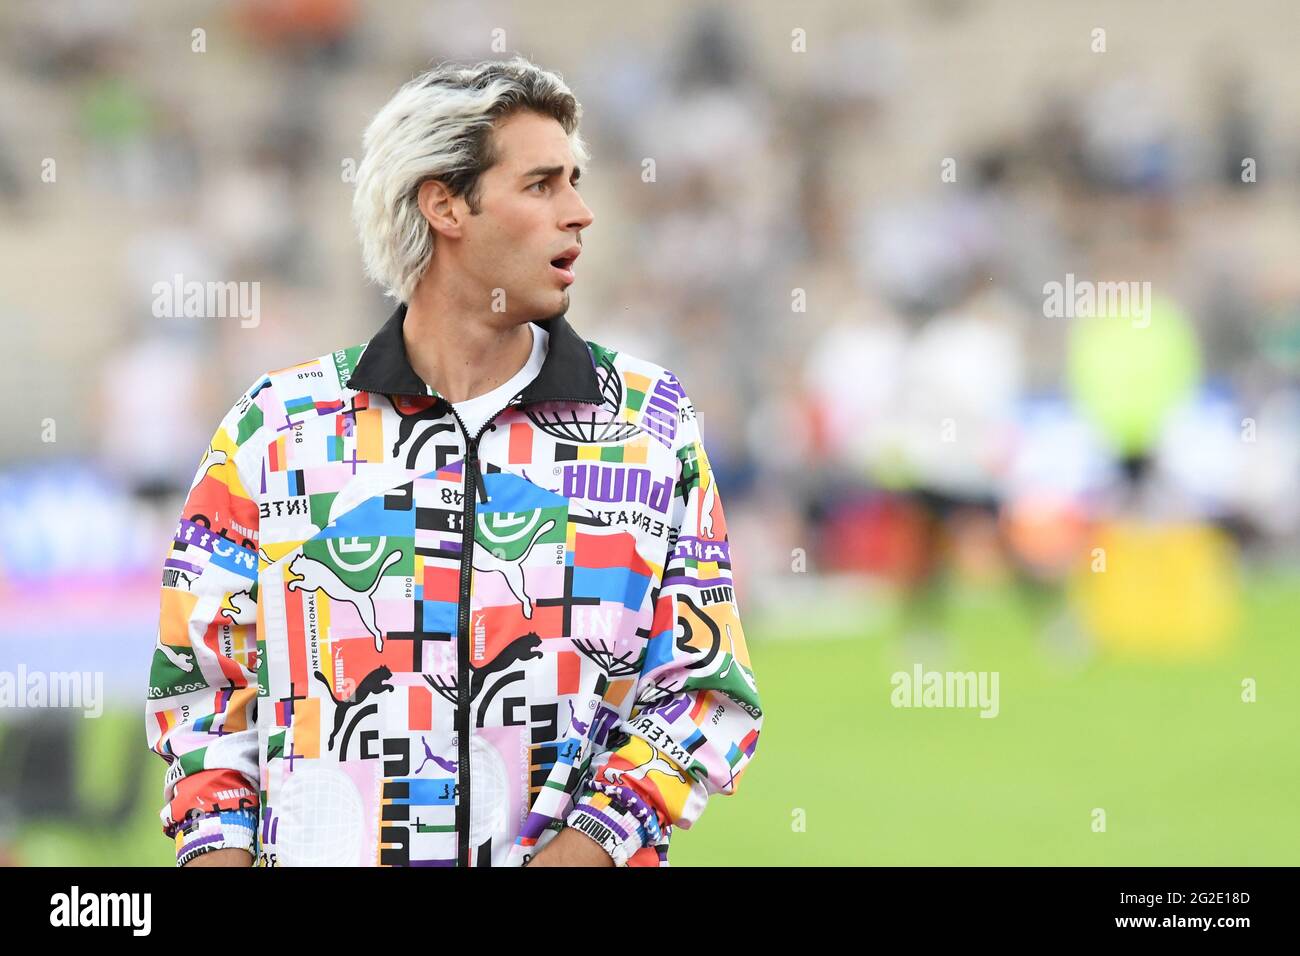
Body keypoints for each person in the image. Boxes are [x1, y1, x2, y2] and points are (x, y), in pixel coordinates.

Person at [144, 56, 762, 867]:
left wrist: (584, 850)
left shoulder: (649, 423)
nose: (580, 213)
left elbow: (702, 692)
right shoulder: (275, 430)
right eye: (541, 185)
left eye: (575, 181)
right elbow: (202, 694)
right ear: (444, 204)